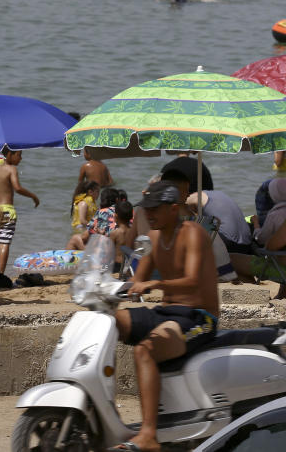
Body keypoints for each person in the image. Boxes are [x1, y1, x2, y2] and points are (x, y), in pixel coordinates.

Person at [111, 181, 218, 452]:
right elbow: (137, 280)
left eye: (154, 209)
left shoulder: (193, 233)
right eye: (146, 209)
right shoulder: (154, 238)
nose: (148, 214)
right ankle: (105, 409)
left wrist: (154, 285)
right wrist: (104, 287)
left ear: (173, 209)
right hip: (166, 314)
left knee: (144, 351)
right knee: (111, 323)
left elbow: (192, 280)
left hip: (198, 317)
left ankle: (148, 435)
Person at [0, 148, 39, 274]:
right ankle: (0, 275)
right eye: (19, 155)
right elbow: (17, 188)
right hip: (6, 211)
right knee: (4, 243)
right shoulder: (11, 169)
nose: (21, 158)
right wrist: (33, 196)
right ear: (9, 154)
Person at [185, 190, 252, 258]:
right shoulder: (218, 194)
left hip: (230, 244)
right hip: (247, 243)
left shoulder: (195, 197)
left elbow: (181, 213)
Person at [67, 180, 100, 248]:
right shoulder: (83, 203)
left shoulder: (92, 203)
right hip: (81, 229)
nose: (98, 194)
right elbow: (82, 220)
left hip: (87, 229)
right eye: (97, 191)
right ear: (90, 192)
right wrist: (94, 227)